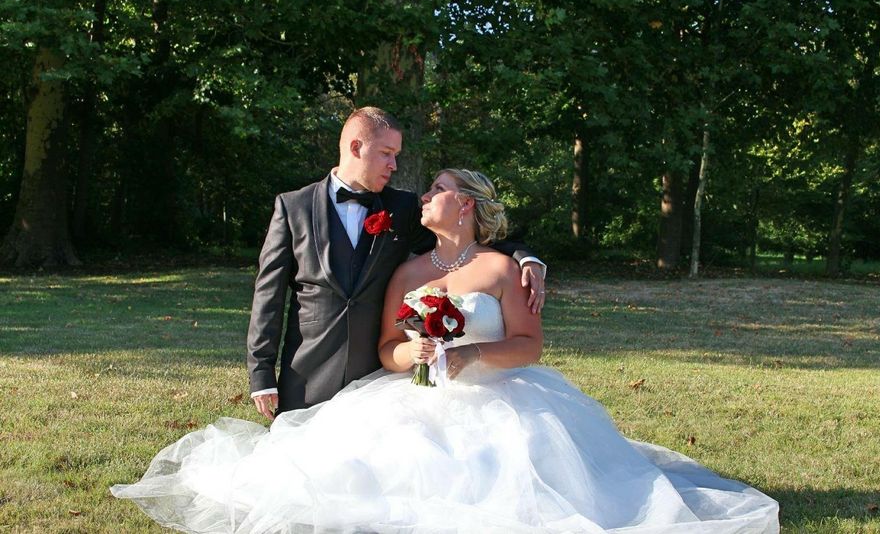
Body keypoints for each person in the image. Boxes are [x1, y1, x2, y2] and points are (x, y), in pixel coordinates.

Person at [111, 169, 780, 533]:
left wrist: (471, 358)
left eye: (435, 188)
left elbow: (529, 343)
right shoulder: (406, 273)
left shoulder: (497, 268)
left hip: (501, 397)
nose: (421, 194)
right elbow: (386, 349)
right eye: (423, 187)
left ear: (465, 203)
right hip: (410, 399)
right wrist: (422, 353)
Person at [246, 107, 545, 417]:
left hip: (375, 375)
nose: (394, 165)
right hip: (307, 369)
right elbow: (269, 295)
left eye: (397, 155)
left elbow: (463, 240)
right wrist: (261, 373)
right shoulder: (293, 207)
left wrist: (524, 256)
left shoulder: (401, 208)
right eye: (387, 153)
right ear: (356, 147)